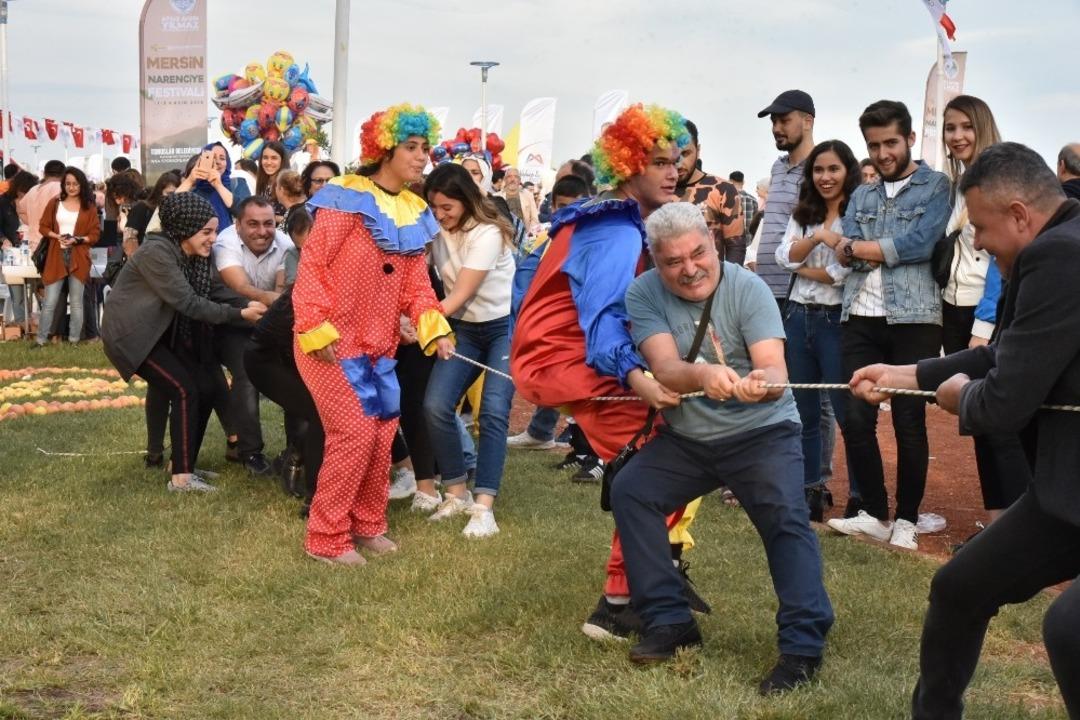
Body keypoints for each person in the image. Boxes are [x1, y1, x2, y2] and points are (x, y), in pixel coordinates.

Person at [847, 142, 1080, 719]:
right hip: (1066, 492)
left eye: (979, 225)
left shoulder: (1060, 257)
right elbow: (1005, 354)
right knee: (960, 588)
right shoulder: (1059, 244)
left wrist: (960, 400)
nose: (975, 241)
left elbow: (1002, 401)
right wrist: (909, 374)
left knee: (1071, 629)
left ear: (1021, 214)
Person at [613, 201, 833, 693]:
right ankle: (671, 621)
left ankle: (802, 646)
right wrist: (704, 375)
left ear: (714, 244)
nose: (690, 269)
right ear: (655, 261)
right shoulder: (642, 293)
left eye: (698, 254)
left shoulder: (749, 287)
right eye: (673, 262)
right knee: (632, 490)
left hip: (763, 433)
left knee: (784, 519)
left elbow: (776, 369)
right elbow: (666, 369)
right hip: (688, 438)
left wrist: (764, 383)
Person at [510, 104, 708, 640]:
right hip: (572, 362)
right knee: (669, 462)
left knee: (667, 460)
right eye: (659, 162)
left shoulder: (623, 218)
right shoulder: (617, 230)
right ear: (627, 165)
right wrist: (642, 378)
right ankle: (622, 601)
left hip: (572, 360)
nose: (673, 172)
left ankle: (645, 581)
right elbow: (603, 325)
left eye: (677, 161)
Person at [293, 103, 453, 566]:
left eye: (425, 148)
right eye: (411, 147)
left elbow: (417, 286)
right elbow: (315, 266)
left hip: (378, 347)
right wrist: (315, 328)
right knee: (354, 433)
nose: (422, 157)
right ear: (384, 149)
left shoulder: (411, 211)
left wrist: (434, 330)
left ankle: (366, 524)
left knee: (382, 433)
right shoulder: (346, 198)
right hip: (330, 345)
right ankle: (325, 537)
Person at [824, 100, 951, 550]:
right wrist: (855, 246)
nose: (882, 153)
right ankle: (874, 512)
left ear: (910, 139)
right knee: (856, 418)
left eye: (890, 143)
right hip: (859, 314)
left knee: (909, 420)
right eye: (874, 145)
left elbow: (921, 244)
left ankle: (908, 519)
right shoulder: (862, 193)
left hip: (914, 318)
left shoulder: (936, 186)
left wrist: (858, 246)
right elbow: (842, 246)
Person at [101, 192, 264, 492]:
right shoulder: (156, 254)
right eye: (206, 232)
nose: (213, 238)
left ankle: (181, 464)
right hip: (133, 336)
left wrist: (261, 306)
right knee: (184, 389)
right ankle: (181, 479)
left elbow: (215, 292)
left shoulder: (189, 256)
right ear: (186, 228)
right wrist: (241, 313)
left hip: (159, 332)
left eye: (215, 231)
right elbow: (190, 303)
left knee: (202, 387)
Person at [939, 95, 1027, 529]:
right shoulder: (959, 183)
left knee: (1001, 425)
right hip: (957, 309)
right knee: (980, 423)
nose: (957, 136)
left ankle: (1017, 530)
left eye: (965, 127)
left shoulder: (996, 175)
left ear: (983, 127)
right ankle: (997, 526)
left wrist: (984, 324)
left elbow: (1001, 260)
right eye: (950, 128)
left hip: (987, 313)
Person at [422, 162, 517, 537]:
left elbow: (461, 292)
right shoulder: (436, 230)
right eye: (434, 207)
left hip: (502, 330)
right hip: (462, 328)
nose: (440, 215)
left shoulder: (488, 233)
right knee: (435, 406)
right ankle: (456, 493)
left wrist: (421, 321)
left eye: (447, 207)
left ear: (466, 200)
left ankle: (484, 507)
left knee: (493, 411)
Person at [774, 140, 859, 520]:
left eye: (833, 169)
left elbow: (840, 275)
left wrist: (802, 260)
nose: (825, 177)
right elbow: (781, 256)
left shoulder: (857, 213)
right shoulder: (804, 211)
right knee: (804, 409)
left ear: (848, 171)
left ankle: (861, 495)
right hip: (797, 315)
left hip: (835, 320)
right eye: (819, 170)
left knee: (847, 412)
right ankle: (812, 489)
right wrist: (821, 238)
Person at [506, 174, 593, 452]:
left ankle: (584, 443)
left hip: (576, 320)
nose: (569, 212)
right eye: (563, 205)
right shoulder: (546, 236)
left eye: (576, 205)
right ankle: (544, 431)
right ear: (553, 206)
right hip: (546, 319)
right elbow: (526, 272)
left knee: (575, 374)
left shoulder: (592, 238)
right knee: (554, 371)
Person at [213, 196, 294, 475]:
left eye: (269, 223)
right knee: (246, 374)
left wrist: (278, 303)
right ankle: (250, 453)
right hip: (233, 322)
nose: (262, 231)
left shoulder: (286, 244)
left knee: (296, 373)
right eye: (253, 224)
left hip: (274, 322)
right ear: (238, 226)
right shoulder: (225, 242)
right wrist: (276, 299)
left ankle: (295, 450)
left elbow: (288, 287)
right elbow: (240, 287)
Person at [755, 90, 817, 300]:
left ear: (807, 122)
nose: (776, 128)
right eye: (773, 122)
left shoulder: (820, 170)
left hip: (795, 290)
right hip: (764, 287)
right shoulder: (778, 166)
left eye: (784, 121)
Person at [33, 167, 100, 348]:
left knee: (77, 302)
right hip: (56, 255)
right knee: (50, 301)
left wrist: (79, 239)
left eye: (75, 184)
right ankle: (41, 340)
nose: (71, 187)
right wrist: (57, 236)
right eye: (68, 184)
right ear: (63, 185)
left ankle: (74, 341)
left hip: (78, 257)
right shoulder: (54, 203)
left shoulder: (89, 206)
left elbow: (95, 234)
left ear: (81, 185)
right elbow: (43, 227)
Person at [674, 119, 745, 264]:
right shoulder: (654, 191)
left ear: (698, 150)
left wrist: (728, 285)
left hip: (712, 283)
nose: (679, 164)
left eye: (686, 153)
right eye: (673, 155)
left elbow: (736, 247)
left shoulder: (723, 190)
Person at [177, 142, 251, 231]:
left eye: (222, 158)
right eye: (213, 157)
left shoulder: (237, 183)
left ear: (227, 163)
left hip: (230, 243)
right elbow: (170, 209)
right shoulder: (194, 191)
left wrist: (218, 186)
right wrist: (189, 180)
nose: (218, 162)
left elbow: (248, 213)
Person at [1, 170, 38, 334]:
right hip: (11, 252)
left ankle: (38, 323)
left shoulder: (34, 201)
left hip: (32, 249)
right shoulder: (3, 202)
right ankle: (21, 326)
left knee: (39, 288)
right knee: (17, 289)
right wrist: (3, 240)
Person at [255, 141, 289, 224]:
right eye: (265, 157)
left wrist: (268, 216)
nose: (269, 162)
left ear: (282, 161)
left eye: (274, 158)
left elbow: (294, 220)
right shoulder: (263, 184)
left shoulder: (288, 184)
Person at [498, 166, 539, 233]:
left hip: (524, 236)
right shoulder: (497, 196)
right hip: (503, 235)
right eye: (509, 176)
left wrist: (530, 233)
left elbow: (534, 218)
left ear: (519, 180)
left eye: (516, 177)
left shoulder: (528, 195)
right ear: (505, 180)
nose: (512, 179)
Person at [729, 170, 759, 253]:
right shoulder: (753, 200)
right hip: (748, 244)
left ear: (730, 181)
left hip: (731, 244)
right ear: (743, 182)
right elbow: (756, 224)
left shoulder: (725, 199)